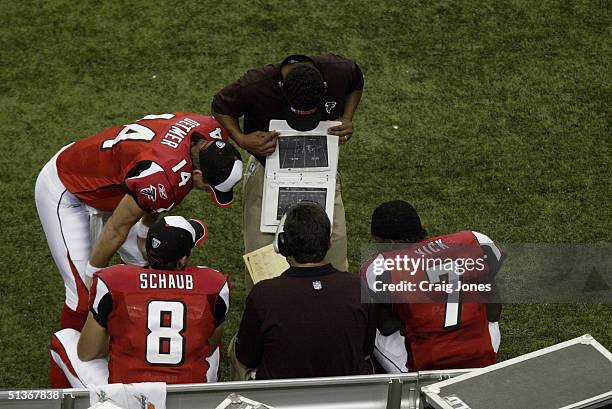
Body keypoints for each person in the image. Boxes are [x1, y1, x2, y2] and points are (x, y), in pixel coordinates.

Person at [35, 112, 242, 330]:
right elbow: (117, 228)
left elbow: (158, 198)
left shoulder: (207, 129)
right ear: (198, 174)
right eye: (209, 186)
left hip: (115, 176)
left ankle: (133, 332)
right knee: (83, 295)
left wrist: (143, 233)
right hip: (68, 188)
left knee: (141, 261)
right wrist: (92, 274)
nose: (206, 190)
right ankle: (70, 359)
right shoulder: (164, 176)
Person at [212, 53, 364, 289]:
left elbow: (356, 82)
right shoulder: (255, 84)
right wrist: (242, 139)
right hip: (267, 169)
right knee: (263, 257)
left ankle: (332, 304)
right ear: (280, 88)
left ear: (325, 87)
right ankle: (267, 307)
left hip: (321, 171)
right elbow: (220, 106)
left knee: (332, 245)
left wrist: (347, 118)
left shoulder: (339, 70)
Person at [49, 215, 230, 387]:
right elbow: (211, 344)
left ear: (148, 250)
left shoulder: (114, 280)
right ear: (182, 259)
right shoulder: (213, 283)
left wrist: (127, 340)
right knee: (211, 350)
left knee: (63, 339)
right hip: (187, 397)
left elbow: (88, 351)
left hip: (128, 398)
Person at [230, 202, 375, 380]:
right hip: (345, 397)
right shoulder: (359, 286)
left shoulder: (263, 294)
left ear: (284, 245)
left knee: (235, 345)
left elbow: (247, 356)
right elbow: (366, 349)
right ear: (329, 243)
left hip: (279, 400)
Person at [362, 200, 504, 372]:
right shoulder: (475, 240)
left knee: (368, 326)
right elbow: (494, 311)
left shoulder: (381, 267)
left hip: (426, 365)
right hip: (481, 353)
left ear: (391, 243)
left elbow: (386, 327)